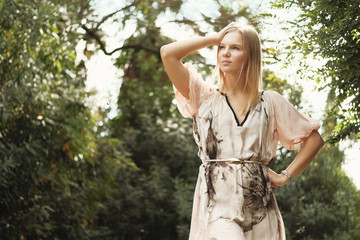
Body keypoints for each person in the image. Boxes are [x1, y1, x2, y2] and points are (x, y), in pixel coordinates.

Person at [160, 22, 324, 240]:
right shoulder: (204, 97)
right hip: (216, 202)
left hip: (259, 205)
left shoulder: (270, 102)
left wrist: (285, 176)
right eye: (222, 47)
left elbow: (315, 140)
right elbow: (168, 54)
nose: (226, 53)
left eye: (235, 48)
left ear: (251, 55)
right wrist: (215, 37)